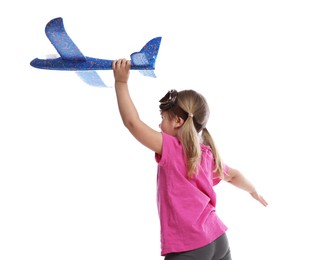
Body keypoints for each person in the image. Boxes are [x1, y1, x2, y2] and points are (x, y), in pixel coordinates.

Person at [112, 59, 268, 260]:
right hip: (218, 240)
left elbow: (132, 123)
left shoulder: (171, 148)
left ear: (178, 121)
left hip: (189, 248)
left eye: (163, 118)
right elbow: (234, 175)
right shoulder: (206, 155)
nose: (159, 125)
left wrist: (121, 83)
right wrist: (253, 190)